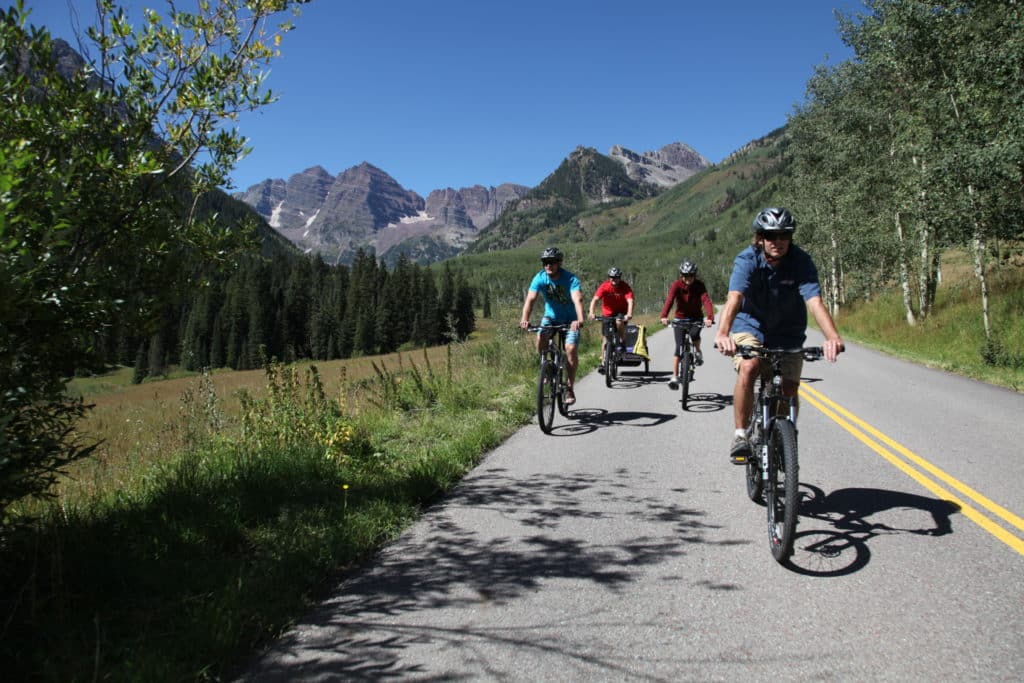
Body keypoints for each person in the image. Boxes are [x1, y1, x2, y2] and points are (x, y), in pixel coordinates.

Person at [714, 207, 844, 465]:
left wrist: (832, 336)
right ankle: (740, 435)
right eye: (771, 236)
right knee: (749, 367)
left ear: (791, 237)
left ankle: (781, 437)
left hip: (788, 331)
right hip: (749, 326)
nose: (778, 241)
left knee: (788, 389)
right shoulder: (747, 259)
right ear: (760, 237)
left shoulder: (801, 261)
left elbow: (815, 301)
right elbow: (734, 297)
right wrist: (722, 333)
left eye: (784, 235)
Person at [520, 247, 586, 405]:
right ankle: (546, 369)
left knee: (570, 349)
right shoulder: (540, 278)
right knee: (541, 336)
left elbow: (577, 300)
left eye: (551, 262)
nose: (547, 265)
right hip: (550, 317)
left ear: (559, 263)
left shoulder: (570, 279)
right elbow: (530, 299)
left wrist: (580, 319)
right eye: (545, 262)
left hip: (571, 320)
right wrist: (524, 319)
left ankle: (569, 387)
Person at [660, 260, 714, 390]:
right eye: (685, 275)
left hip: (696, 318)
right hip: (680, 319)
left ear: (694, 275)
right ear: (681, 275)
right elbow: (670, 300)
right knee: (679, 347)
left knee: (695, 334)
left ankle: (698, 352)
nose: (688, 278)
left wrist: (710, 317)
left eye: (691, 275)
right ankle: (674, 376)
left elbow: (706, 300)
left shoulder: (699, 285)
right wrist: (664, 316)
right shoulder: (676, 285)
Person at [588, 266, 635, 370]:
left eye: (616, 277)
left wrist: (629, 314)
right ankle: (604, 362)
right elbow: (595, 300)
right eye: (611, 277)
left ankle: (623, 341)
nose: (614, 279)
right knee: (605, 339)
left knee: (619, 322)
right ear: (609, 277)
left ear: (620, 277)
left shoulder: (625, 287)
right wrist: (591, 312)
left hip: (621, 312)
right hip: (607, 314)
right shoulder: (605, 286)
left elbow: (630, 301)